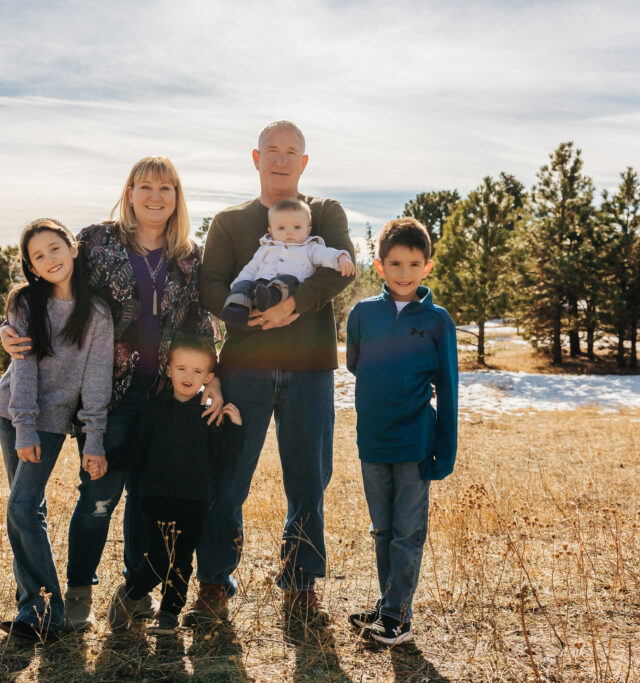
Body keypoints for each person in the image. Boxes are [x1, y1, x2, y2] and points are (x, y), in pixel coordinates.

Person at [0, 157, 220, 631]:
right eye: (145, 186)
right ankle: (79, 590)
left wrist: (212, 373)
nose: (155, 195)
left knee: (147, 495)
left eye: (166, 187)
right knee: (100, 493)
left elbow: (199, 320)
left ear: (177, 196)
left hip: (163, 393)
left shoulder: (188, 254)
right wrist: (8, 326)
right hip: (106, 392)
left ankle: (136, 589)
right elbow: (52, 286)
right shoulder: (98, 241)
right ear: (130, 191)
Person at [193, 121, 355, 625]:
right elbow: (211, 284)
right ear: (256, 158)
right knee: (229, 475)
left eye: (291, 153)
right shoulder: (230, 221)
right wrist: (243, 315)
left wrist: (293, 307)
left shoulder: (324, 212)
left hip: (310, 367)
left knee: (309, 478)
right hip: (244, 367)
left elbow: (341, 268)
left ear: (303, 163)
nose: (281, 160)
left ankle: (301, 584)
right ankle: (215, 582)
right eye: (272, 151)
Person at [0, 218, 114, 641]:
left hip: (52, 421)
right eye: (38, 256)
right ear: (31, 267)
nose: (49, 259)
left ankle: (44, 610)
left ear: (73, 248)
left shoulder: (96, 312)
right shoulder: (25, 303)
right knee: (26, 508)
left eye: (54, 248)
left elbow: (97, 381)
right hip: (15, 414)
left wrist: (93, 439)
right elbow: (22, 370)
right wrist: (23, 426)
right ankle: (35, 610)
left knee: (22, 509)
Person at [345, 217, 458, 645]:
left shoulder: (437, 321)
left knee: (408, 531)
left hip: (416, 443)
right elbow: (357, 363)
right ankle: (388, 603)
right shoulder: (363, 314)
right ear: (379, 266)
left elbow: (448, 387)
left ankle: (398, 618)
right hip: (373, 440)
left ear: (427, 267)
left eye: (414, 264)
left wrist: (445, 450)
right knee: (383, 529)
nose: (404, 272)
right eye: (395, 263)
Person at [104, 334, 245, 635]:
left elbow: (222, 456)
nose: (188, 376)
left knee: (181, 559)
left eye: (197, 372)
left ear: (208, 377)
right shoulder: (154, 409)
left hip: (195, 500)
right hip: (156, 496)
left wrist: (234, 428)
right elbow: (136, 449)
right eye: (181, 368)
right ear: (168, 370)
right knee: (159, 556)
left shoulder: (208, 414)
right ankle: (130, 595)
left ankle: (169, 615)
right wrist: (106, 460)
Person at [221, 197, 355, 327]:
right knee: (244, 284)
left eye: (297, 227)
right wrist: (239, 284)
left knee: (288, 280)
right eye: (281, 228)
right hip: (260, 284)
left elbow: (326, 254)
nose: (289, 232)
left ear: (307, 231)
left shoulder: (310, 247)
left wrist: (341, 258)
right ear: (271, 231)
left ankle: (269, 296)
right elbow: (251, 268)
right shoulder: (265, 248)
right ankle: (236, 309)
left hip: (287, 286)